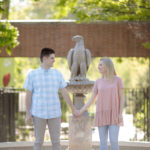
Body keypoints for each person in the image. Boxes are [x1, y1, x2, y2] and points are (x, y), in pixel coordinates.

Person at [24, 48, 77, 150]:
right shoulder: (32, 75)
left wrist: (73, 108)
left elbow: (65, 93)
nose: (54, 60)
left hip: (55, 113)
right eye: (52, 58)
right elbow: (28, 95)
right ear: (44, 58)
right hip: (38, 113)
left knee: (56, 142)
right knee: (38, 142)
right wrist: (28, 113)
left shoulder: (57, 74)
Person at [76, 57, 124, 150]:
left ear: (108, 66)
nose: (98, 66)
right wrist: (80, 111)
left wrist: (120, 114)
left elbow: (122, 98)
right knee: (103, 143)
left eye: (101, 64)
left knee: (114, 141)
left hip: (114, 114)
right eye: (99, 64)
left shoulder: (118, 80)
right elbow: (91, 99)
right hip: (101, 114)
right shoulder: (98, 82)